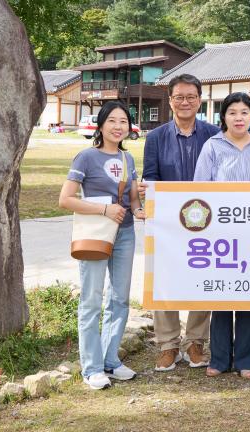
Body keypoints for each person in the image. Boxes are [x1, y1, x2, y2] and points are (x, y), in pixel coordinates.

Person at [58, 101, 146, 390]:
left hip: (125, 234)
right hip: (96, 233)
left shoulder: (128, 159)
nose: (118, 126)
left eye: (124, 121)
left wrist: (139, 206)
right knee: (92, 300)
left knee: (119, 299)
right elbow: (66, 199)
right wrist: (104, 210)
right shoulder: (85, 157)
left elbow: (132, 199)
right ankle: (91, 368)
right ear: (101, 125)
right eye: (113, 121)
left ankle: (110, 360)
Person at [143, 73, 220, 372]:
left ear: (199, 100)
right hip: (167, 221)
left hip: (207, 219)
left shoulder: (214, 135)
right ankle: (168, 344)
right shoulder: (156, 137)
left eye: (191, 97)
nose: (185, 102)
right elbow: (151, 176)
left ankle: (196, 342)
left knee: (202, 277)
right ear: (170, 100)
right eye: (179, 97)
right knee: (164, 279)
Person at [194, 92, 250, 379]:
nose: (239, 118)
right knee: (222, 296)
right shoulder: (212, 146)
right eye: (233, 112)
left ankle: (247, 359)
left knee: (248, 297)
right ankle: (220, 357)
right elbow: (199, 189)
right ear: (223, 116)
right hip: (220, 233)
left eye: (244, 113)